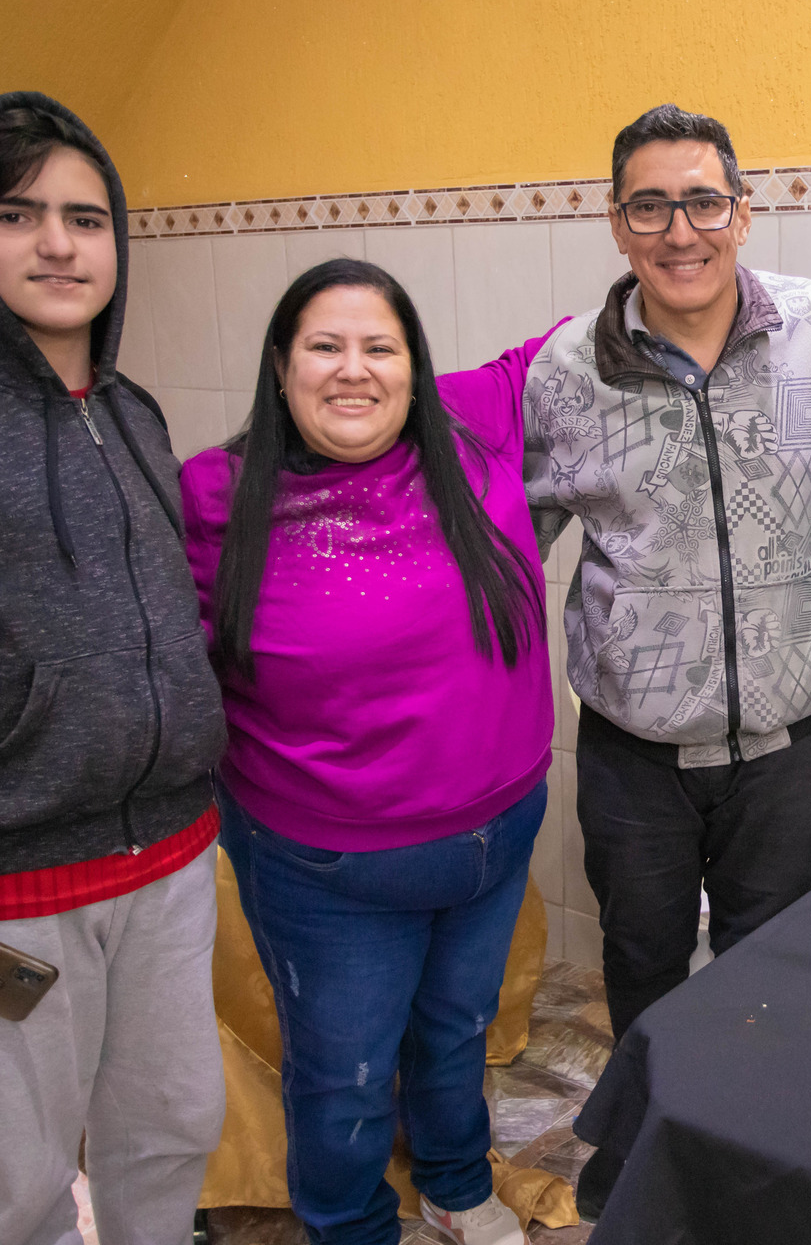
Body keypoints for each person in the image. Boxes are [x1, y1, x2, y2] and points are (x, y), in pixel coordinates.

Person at [0, 93, 228, 1243]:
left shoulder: (132, 409)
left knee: (173, 1128)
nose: (59, 244)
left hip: (166, 864)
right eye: (17, 215)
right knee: (20, 1185)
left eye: (86, 217)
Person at [181, 260, 562, 1245]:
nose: (354, 370)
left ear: (415, 367)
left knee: (458, 1028)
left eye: (380, 347)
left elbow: (608, 323)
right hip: (327, 872)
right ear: (280, 366)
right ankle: (350, 1227)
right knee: (343, 1074)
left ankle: (452, 1182)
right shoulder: (213, 494)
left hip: (497, 835)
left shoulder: (472, 425)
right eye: (324, 346)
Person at [528, 103, 811, 1215]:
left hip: (792, 739)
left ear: (743, 213)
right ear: (616, 222)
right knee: (643, 966)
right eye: (651, 206)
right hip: (635, 748)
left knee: (770, 972)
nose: (681, 231)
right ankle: (644, 1164)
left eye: (704, 202)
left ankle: (748, 1167)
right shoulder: (566, 370)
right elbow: (511, 541)